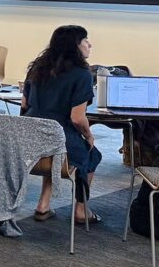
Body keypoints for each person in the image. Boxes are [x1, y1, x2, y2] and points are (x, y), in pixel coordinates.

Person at [23, 25, 101, 224]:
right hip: (58, 137)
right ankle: (81, 210)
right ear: (76, 45)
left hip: (30, 138)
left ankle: (43, 204)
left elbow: (24, 105)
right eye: (85, 40)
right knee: (92, 154)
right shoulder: (82, 74)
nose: (89, 45)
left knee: (56, 147)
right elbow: (77, 118)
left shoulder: (37, 67)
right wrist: (89, 136)